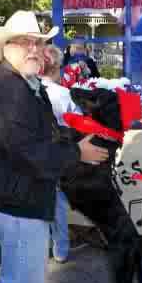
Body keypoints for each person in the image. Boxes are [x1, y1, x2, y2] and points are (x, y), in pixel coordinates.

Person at [0, 10, 109, 283]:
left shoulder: (24, 82)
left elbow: (44, 133)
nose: (33, 48)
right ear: (5, 49)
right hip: (16, 200)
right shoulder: (10, 89)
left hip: (11, 195)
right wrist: (78, 152)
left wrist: (76, 139)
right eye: (22, 43)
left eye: (37, 42)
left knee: (14, 278)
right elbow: (28, 151)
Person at [42, 44, 79, 263]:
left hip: (37, 154)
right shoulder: (64, 94)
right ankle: (61, 248)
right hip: (60, 153)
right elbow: (79, 124)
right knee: (59, 205)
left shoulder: (31, 91)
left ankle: (46, 244)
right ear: (57, 68)